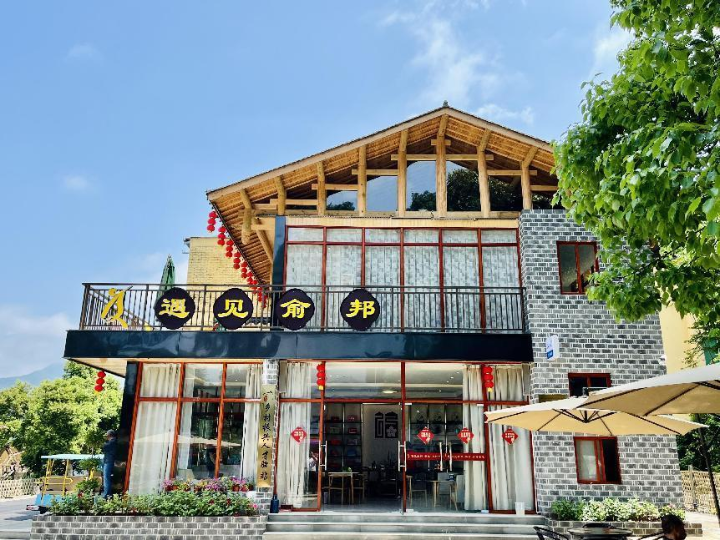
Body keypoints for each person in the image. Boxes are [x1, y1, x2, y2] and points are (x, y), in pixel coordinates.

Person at [101, 430, 117, 498]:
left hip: (109, 461)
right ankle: (108, 494)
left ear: (109, 435)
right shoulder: (113, 441)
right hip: (109, 461)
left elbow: (103, 447)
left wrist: (102, 442)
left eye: (107, 435)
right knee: (107, 478)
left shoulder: (112, 441)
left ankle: (106, 494)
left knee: (106, 478)